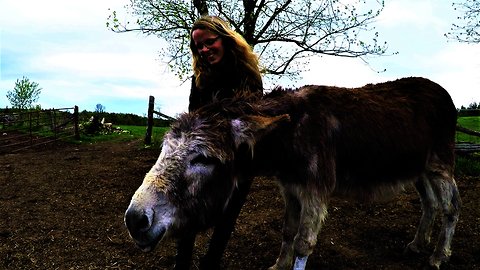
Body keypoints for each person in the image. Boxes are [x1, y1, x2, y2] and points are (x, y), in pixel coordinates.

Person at [188, 15, 263, 111]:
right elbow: (193, 116)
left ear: (225, 39)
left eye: (210, 42)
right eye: (199, 46)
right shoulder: (199, 77)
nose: (205, 49)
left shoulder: (248, 71)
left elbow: (257, 111)